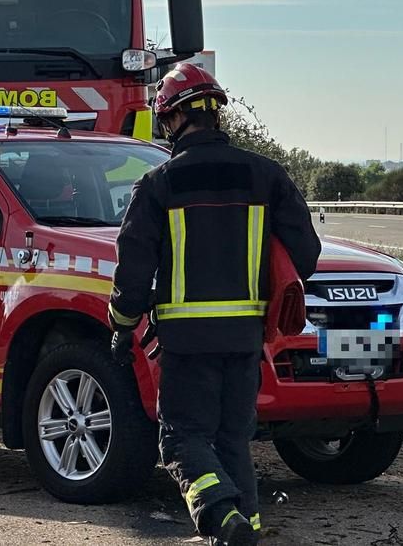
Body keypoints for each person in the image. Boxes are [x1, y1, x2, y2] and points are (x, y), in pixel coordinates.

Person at [106, 63, 320, 546]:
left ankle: (222, 519)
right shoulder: (267, 176)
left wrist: (122, 325)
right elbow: (305, 254)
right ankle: (248, 530)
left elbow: (133, 267)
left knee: (182, 439)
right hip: (246, 340)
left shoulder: (159, 184)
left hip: (186, 343)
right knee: (231, 440)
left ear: (173, 119)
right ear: (215, 114)